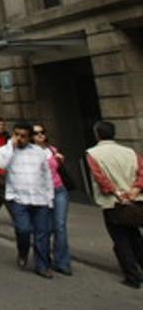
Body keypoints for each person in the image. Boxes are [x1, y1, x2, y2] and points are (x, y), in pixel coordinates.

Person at [84, 119, 143, 289]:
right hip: (135, 201)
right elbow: (141, 172)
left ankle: (132, 276)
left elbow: (100, 177)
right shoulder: (130, 152)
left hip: (113, 203)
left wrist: (117, 193)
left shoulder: (93, 153)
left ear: (97, 134)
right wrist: (135, 190)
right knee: (135, 236)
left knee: (121, 239)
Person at [0, 120, 54, 277]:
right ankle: (23, 251)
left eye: (24, 136)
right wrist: (11, 146)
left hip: (40, 198)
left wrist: (50, 197)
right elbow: (1, 164)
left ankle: (42, 265)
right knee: (23, 229)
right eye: (17, 135)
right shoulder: (5, 150)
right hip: (18, 198)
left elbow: (46, 175)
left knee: (42, 233)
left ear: (30, 137)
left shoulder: (39, 151)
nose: (20, 138)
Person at [33, 124, 71, 275]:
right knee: (44, 229)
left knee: (60, 226)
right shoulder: (27, 154)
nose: (40, 135)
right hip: (41, 193)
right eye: (36, 133)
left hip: (59, 190)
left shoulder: (52, 150)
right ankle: (43, 262)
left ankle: (62, 262)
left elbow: (58, 169)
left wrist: (60, 160)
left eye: (42, 132)